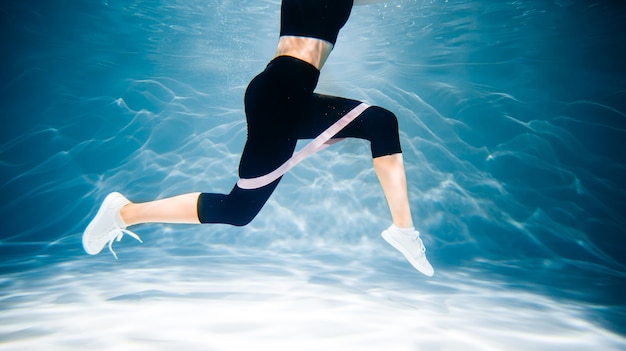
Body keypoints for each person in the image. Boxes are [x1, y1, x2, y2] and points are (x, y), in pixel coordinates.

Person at [83, 0, 434, 276]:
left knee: (380, 122)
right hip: (281, 93)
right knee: (238, 210)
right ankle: (124, 213)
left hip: (286, 95)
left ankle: (402, 229)